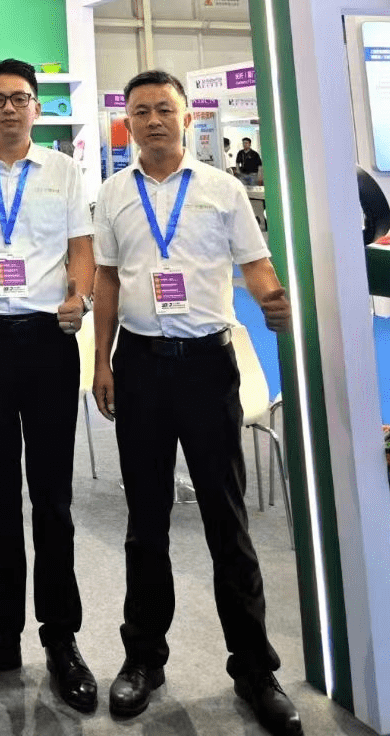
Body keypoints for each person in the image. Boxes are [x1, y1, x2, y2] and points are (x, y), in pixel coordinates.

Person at [91, 70, 300, 735]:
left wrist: (273, 300)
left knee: (226, 520)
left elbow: (255, 264)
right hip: (140, 366)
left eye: (164, 109)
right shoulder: (113, 194)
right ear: (127, 122)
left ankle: (255, 669)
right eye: (141, 111)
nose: (153, 120)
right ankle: (143, 659)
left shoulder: (222, 189)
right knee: (145, 522)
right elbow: (105, 279)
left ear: (186, 118)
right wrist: (101, 360)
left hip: (209, 366)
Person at [0, 58, 98, 710]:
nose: (9, 107)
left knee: (53, 497)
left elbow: (82, 249)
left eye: (20, 98)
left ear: (36, 107)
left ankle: (61, 638)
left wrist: (80, 297)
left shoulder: (64, 171)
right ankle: (0, 633)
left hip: (49, 339)